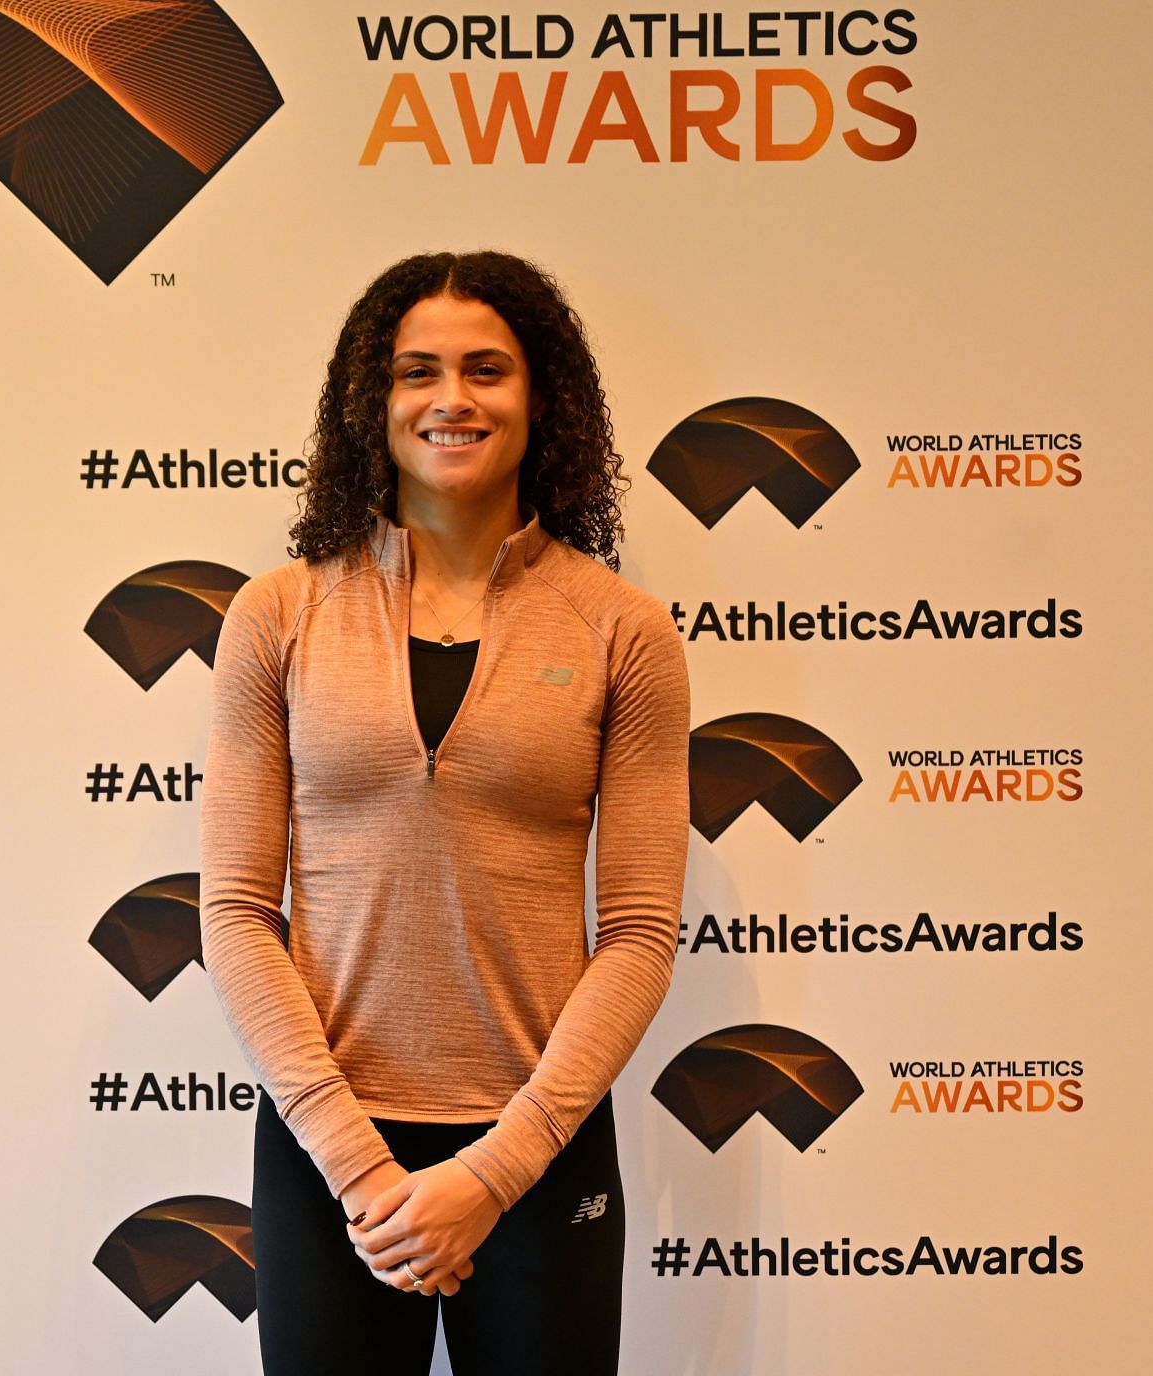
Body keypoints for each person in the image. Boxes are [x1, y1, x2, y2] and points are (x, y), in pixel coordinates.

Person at [200, 250, 689, 1375]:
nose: (452, 399)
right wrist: (360, 1167)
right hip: (330, 1152)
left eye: (487, 369)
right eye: (418, 370)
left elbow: (639, 934)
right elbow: (232, 910)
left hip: (539, 1148)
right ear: (374, 402)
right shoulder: (278, 614)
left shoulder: (623, 630)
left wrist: (495, 1170)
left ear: (541, 399)